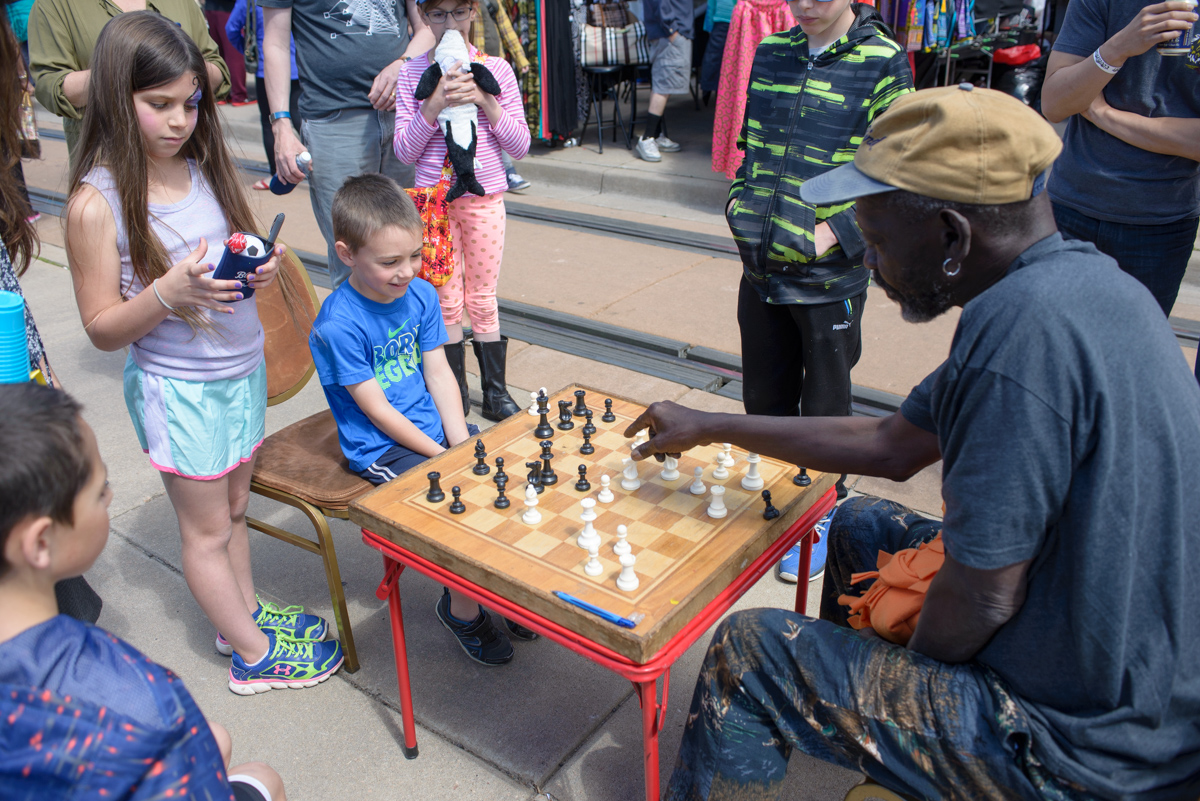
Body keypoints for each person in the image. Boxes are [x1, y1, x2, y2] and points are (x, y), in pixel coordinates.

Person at [629, 86, 1200, 801]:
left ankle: (892, 746)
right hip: (1121, 667)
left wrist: (902, 687)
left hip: (1080, 748)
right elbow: (891, 442)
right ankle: (869, 745)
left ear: (952, 234)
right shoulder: (1070, 282)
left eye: (878, 238)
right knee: (861, 524)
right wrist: (710, 423)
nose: (867, 258)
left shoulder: (1019, 340)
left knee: (751, 651)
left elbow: (986, 594)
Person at [63, 12, 341, 695]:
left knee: (236, 508)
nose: (179, 120)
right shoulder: (94, 205)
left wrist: (260, 266)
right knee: (207, 529)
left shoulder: (201, 168)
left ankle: (242, 616)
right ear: (113, 99)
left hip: (238, 372)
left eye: (190, 102)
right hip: (179, 389)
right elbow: (100, 326)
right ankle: (252, 654)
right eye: (158, 104)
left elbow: (227, 253)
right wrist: (167, 291)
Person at [0, 382, 288, 801]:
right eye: (99, 491)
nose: (111, 496)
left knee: (215, 738)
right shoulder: (126, 690)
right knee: (262, 775)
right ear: (41, 543)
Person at [309, 173, 536, 665]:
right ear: (347, 254)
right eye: (389, 261)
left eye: (414, 255)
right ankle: (463, 610)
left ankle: (504, 590)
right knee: (456, 517)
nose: (408, 270)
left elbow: (439, 373)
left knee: (506, 486)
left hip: (436, 430)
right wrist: (444, 457)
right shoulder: (339, 324)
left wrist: (460, 441)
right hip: (381, 446)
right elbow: (377, 409)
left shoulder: (422, 296)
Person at [729, 0, 911, 580]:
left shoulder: (883, 60)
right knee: (763, 400)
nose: (804, 6)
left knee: (826, 408)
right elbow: (752, 148)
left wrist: (836, 234)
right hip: (760, 267)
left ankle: (819, 513)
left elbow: (901, 166)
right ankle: (777, 505)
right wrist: (741, 206)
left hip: (828, 277)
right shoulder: (772, 52)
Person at [394, 0, 529, 421]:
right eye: (436, 14)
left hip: (484, 196)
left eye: (457, 12)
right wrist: (432, 105)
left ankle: (496, 393)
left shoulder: (497, 70)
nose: (448, 22)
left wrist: (487, 103)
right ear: (423, 16)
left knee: (483, 296)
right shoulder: (413, 72)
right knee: (444, 297)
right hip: (433, 203)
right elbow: (404, 150)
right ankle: (453, 391)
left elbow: (520, 145)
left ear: (473, 12)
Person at [1040, 0, 1200, 318]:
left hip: (1162, 224)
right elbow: (1056, 103)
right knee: (1050, 351)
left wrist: (1103, 114)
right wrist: (1119, 47)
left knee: (1128, 358)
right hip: (1069, 208)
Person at [260, 0, 432, 288]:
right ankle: (359, 332)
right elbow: (275, 42)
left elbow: (426, 26)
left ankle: (410, 329)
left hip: (405, 113)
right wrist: (281, 127)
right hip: (334, 119)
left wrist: (404, 63)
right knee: (353, 255)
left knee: (414, 244)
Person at [28, 0, 230, 157]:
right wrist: (121, 70)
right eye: (159, 104)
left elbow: (217, 71)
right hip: (108, 159)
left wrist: (181, 66)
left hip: (186, 161)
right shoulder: (56, 5)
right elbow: (50, 86)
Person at [225, 0, 302, 190]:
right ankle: (313, 166)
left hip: (268, 70)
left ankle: (277, 174)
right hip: (299, 67)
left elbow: (231, 28)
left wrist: (248, 49)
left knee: (271, 123)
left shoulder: (248, 1)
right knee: (303, 120)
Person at [634, 0, 693, 162]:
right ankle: (647, 138)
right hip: (669, 34)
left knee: (663, 84)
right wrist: (672, 30)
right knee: (663, 86)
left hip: (669, 33)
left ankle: (656, 135)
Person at [205, 0, 250, 105]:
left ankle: (222, 93)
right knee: (233, 54)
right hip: (228, 8)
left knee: (218, 52)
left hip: (211, 8)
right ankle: (239, 95)